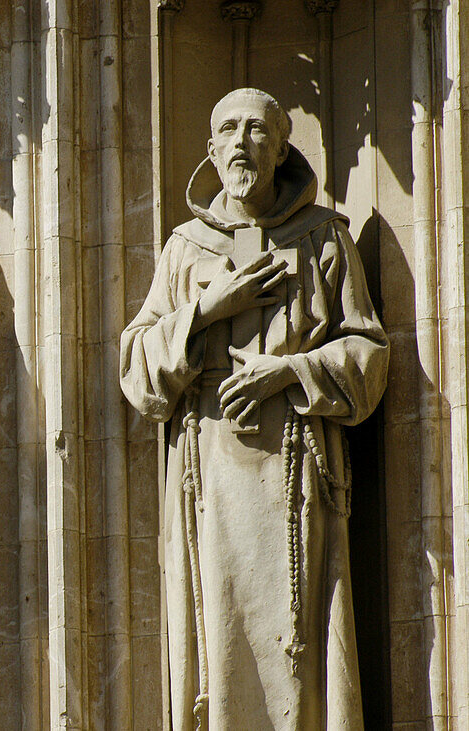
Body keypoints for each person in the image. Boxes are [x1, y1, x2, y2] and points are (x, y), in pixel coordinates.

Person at [120, 89, 389, 729]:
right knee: (219, 628)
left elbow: (370, 355)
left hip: (297, 471)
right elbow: (136, 371)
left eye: (258, 130)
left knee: (295, 638)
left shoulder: (323, 237)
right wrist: (206, 311)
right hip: (208, 469)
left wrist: (290, 371)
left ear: (280, 149)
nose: (242, 141)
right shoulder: (186, 247)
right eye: (229, 130)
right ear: (211, 152)